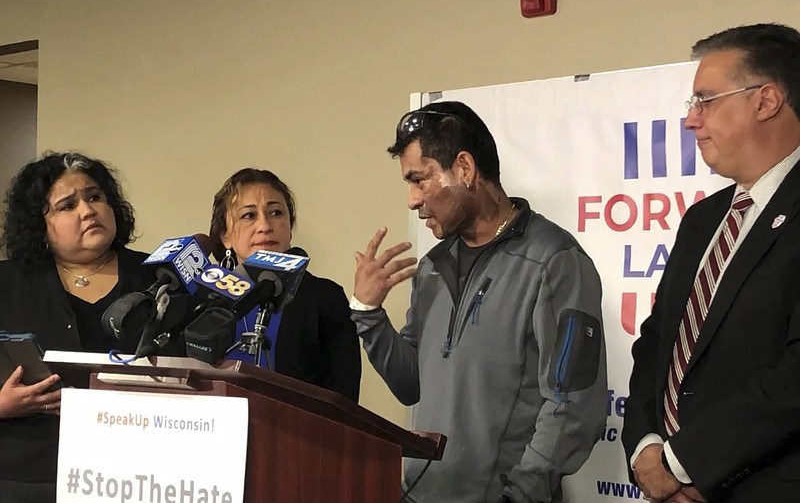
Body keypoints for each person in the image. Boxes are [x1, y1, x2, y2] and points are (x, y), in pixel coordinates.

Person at [350, 101, 607, 503]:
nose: (411, 200)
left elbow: (573, 407)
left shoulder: (554, 261)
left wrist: (520, 495)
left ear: (465, 169)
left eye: (420, 180)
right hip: (419, 494)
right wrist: (368, 314)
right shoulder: (434, 266)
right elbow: (411, 385)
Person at [622, 23, 800, 503]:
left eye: (706, 100)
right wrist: (644, 448)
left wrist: (683, 464)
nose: (690, 121)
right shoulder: (703, 219)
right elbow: (658, 341)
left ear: (766, 101)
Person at [0, 152, 157, 502]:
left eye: (94, 197)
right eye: (66, 205)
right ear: (39, 225)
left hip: (140, 474)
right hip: (29, 476)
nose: (87, 210)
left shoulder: (159, 276)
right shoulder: (7, 284)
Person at [209, 168, 361, 402]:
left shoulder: (325, 298)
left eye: (276, 213)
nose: (265, 225)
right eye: (249, 215)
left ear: (289, 227)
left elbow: (344, 401)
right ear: (225, 236)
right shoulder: (205, 301)